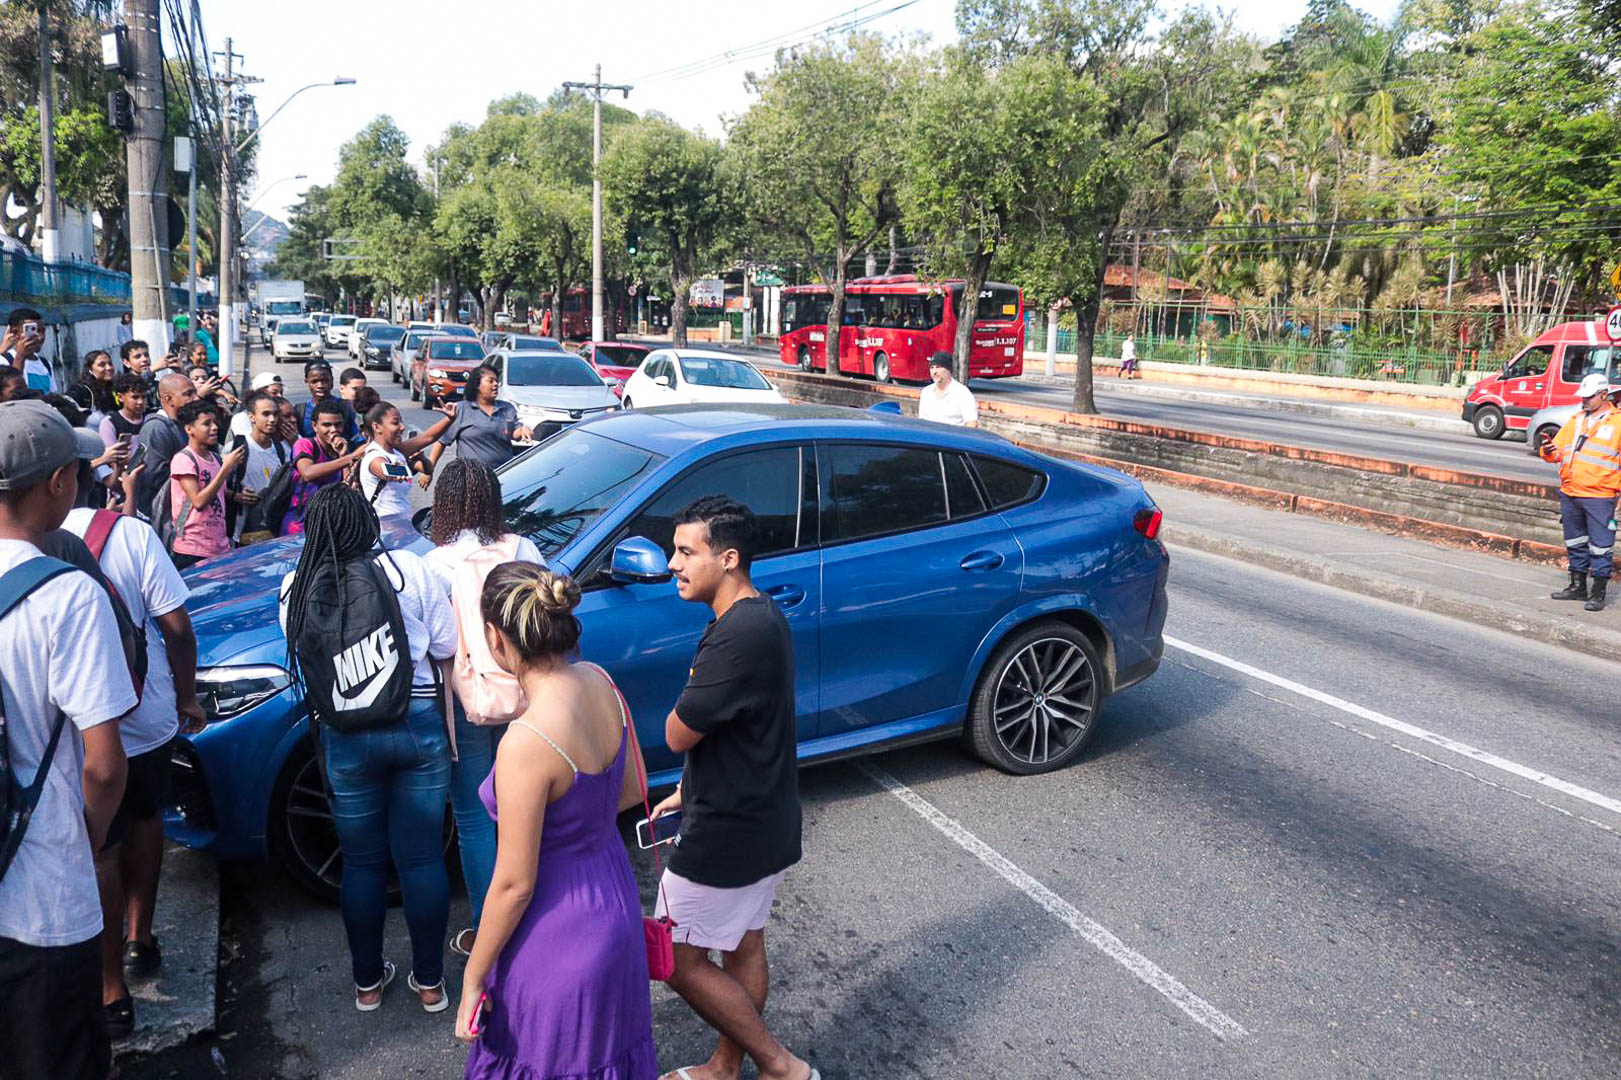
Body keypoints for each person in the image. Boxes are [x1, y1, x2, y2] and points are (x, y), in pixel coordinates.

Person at [455, 564, 657, 1080]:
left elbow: (514, 885)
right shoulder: (602, 682)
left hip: (555, 932)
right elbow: (634, 789)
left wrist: (473, 977)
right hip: (613, 905)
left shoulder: (526, 741)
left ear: (497, 641)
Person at [648, 495, 814, 1080]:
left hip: (728, 832)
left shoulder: (736, 638)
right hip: (762, 818)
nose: (674, 563)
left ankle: (779, 1065)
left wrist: (694, 778)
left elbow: (677, 733)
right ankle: (725, 1066)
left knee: (675, 958)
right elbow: (738, 731)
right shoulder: (759, 615)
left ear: (729, 558)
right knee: (743, 945)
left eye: (687, 552)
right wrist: (690, 791)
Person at [278, 483, 457, 1013]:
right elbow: (446, 645)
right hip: (417, 721)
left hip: (346, 736)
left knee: (361, 861)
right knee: (423, 856)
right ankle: (429, 984)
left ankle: (367, 984)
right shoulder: (409, 570)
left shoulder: (296, 585)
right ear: (370, 525)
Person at [0, 400, 138, 1080]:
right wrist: (84, 839)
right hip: (44, 895)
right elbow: (105, 766)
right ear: (57, 483)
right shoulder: (67, 595)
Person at [62, 469, 202, 1038]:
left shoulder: (18, 542)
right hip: (142, 714)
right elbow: (175, 626)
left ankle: (110, 989)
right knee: (146, 817)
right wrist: (188, 696)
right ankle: (140, 938)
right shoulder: (132, 534)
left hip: (67, 727)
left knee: (99, 850)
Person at [424, 460, 543, 956]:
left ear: (445, 504)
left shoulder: (435, 564)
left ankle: (488, 928)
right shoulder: (525, 549)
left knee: (475, 817)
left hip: (468, 700)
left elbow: (439, 643)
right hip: (526, 696)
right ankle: (533, 915)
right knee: (527, 807)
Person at [1539, 371, 1621, 611]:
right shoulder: (1576, 420)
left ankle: (1598, 593)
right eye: (1582, 396)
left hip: (1600, 495)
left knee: (1600, 546)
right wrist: (1548, 449)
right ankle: (1577, 586)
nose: (1584, 400)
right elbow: (1557, 455)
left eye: (1588, 397)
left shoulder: (1617, 423)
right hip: (1571, 492)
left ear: (1603, 395)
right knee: (1575, 541)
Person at [168, 400, 244, 569]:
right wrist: (226, 468)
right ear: (189, 429)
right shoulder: (184, 459)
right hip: (192, 549)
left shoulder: (214, 458)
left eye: (214, 422)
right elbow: (199, 501)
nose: (214, 427)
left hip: (219, 546)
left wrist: (235, 495)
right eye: (206, 424)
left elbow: (216, 490)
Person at [358, 401, 453, 528]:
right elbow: (384, 469)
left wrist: (450, 419)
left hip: (403, 522)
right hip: (385, 526)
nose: (402, 427)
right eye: (395, 423)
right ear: (377, 427)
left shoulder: (397, 452)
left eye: (401, 422)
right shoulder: (373, 456)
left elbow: (428, 438)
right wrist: (395, 471)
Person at [285, 399, 365, 535]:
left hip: (330, 525)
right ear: (314, 426)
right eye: (326, 425)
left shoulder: (342, 452)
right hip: (300, 526)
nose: (333, 430)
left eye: (338, 425)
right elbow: (307, 472)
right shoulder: (305, 444)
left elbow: (348, 488)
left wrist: (343, 454)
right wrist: (350, 458)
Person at [432, 366, 532, 471]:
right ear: (478, 385)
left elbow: (514, 434)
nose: (495, 384)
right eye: (491, 381)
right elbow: (441, 442)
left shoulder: (507, 408)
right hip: (472, 475)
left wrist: (523, 430)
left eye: (497, 381)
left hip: (503, 472)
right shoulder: (461, 409)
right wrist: (428, 471)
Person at [229, 390, 290, 543]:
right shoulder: (236, 448)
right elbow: (217, 486)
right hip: (241, 532)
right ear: (251, 417)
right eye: (266, 414)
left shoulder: (284, 450)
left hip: (274, 531)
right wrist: (236, 495)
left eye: (275, 414)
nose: (272, 419)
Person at [137, 373, 198, 521]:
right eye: (188, 394)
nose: (195, 398)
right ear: (168, 399)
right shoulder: (156, 428)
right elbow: (156, 477)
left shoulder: (182, 424)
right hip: (163, 516)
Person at [298, 362, 359, 441]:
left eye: (325, 381)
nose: (320, 386)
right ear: (307, 381)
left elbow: (361, 441)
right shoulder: (300, 411)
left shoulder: (348, 407)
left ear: (332, 380)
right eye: (314, 381)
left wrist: (348, 453)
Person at [917, 351, 979, 428]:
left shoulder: (962, 393)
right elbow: (922, 422)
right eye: (932, 368)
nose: (934, 372)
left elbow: (972, 423)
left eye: (938, 367)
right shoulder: (926, 392)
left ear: (948, 370)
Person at [0, 306, 55, 392]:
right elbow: (13, 394)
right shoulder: (4, 361)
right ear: (14, 332)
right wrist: (20, 356)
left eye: (43, 331)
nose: (40, 337)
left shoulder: (46, 364)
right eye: (33, 331)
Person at [100, 374, 149, 460]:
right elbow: (110, 458)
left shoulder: (150, 419)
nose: (140, 402)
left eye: (144, 397)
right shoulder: (110, 422)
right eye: (135, 397)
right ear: (120, 397)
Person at [67, 350, 118, 430]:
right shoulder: (80, 390)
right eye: (102, 365)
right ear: (90, 369)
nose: (109, 368)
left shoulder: (114, 389)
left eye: (110, 364)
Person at [229, 371, 284, 440]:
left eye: (281, 392)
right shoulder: (241, 418)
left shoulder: (282, 415)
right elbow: (249, 444)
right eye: (274, 392)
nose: (279, 396)